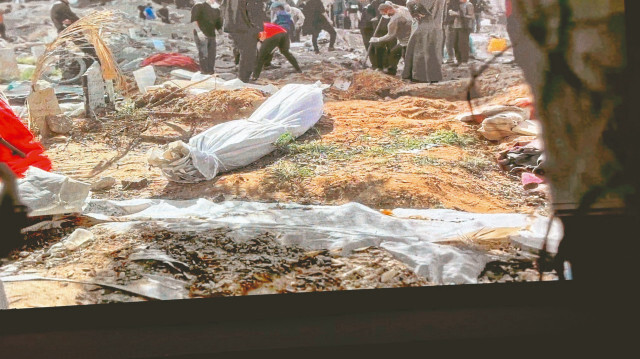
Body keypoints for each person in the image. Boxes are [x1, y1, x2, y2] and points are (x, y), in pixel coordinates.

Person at [402, 0, 445, 83]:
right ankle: (425, 76)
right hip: (428, 26)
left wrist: (413, 5)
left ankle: (422, 76)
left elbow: (421, 7)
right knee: (423, 51)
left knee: (423, 51)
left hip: (429, 27)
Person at [221, 0, 264, 82]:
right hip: (245, 26)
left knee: (242, 52)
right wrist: (258, 28)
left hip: (232, 25)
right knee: (249, 54)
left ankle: (242, 77)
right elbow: (253, 10)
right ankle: (243, 79)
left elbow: (223, 7)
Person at [369, 2, 412, 76]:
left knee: (405, 56)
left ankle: (410, 76)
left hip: (406, 41)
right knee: (395, 53)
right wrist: (391, 4)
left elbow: (390, 36)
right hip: (411, 35)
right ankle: (392, 70)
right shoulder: (402, 9)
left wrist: (377, 39)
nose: (385, 16)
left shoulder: (394, 20)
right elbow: (397, 6)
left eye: (384, 14)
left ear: (388, 10)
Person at [191, 0, 223, 74]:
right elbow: (194, 21)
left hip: (211, 34)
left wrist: (222, 34)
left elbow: (218, 24)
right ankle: (204, 72)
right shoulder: (199, 6)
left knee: (212, 55)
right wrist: (199, 32)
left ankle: (211, 71)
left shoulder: (217, 10)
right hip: (201, 34)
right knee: (204, 54)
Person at [449, 0, 473, 65]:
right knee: (455, 43)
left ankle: (464, 60)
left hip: (464, 26)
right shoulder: (456, 4)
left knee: (463, 44)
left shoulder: (468, 4)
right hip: (456, 26)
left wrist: (458, 14)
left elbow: (470, 16)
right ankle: (458, 60)